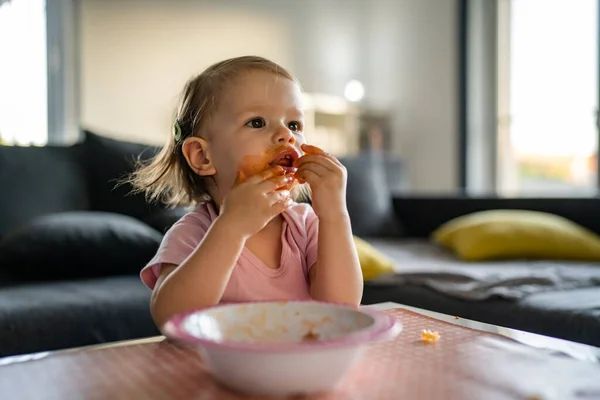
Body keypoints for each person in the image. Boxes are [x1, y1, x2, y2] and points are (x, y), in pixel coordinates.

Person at [129, 56, 363, 328]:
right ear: (203, 157)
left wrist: (335, 215)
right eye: (257, 122)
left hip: (297, 366)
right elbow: (171, 319)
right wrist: (231, 228)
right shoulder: (195, 233)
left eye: (294, 125)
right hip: (223, 368)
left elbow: (341, 309)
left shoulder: (305, 225)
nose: (286, 135)